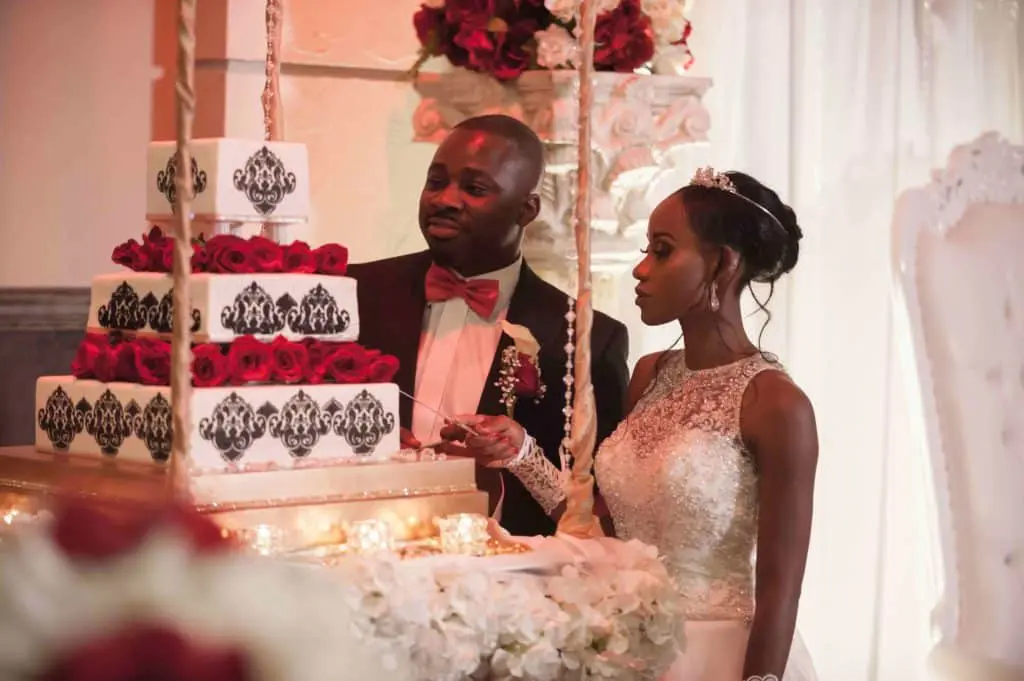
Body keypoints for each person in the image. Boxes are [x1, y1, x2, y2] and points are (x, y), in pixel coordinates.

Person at [443, 168, 819, 681]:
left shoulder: (775, 403)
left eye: (662, 250)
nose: (641, 269)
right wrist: (521, 453)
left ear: (725, 264)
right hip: (627, 647)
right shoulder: (650, 374)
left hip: (716, 658)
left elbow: (781, 589)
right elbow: (605, 529)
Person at [347, 114, 630, 538]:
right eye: (435, 182)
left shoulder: (583, 337)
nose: (444, 199)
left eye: (474, 189)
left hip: (508, 583)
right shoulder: (355, 293)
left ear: (527, 209)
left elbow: (602, 510)